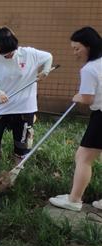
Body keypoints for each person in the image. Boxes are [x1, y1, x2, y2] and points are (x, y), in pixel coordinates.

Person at [0, 27, 53, 165]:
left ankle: (18, 167)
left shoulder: (29, 54)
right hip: (1, 107)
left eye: (7, 52)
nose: (5, 55)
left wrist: (45, 71)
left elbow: (48, 57)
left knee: (23, 140)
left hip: (24, 107)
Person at [49, 27, 102, 211]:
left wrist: (77, 96)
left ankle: (74, 200)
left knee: (83, 157)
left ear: (89, 46)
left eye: (77, 48)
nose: (75, 53)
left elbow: (87, 99)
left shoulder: (89, 69)